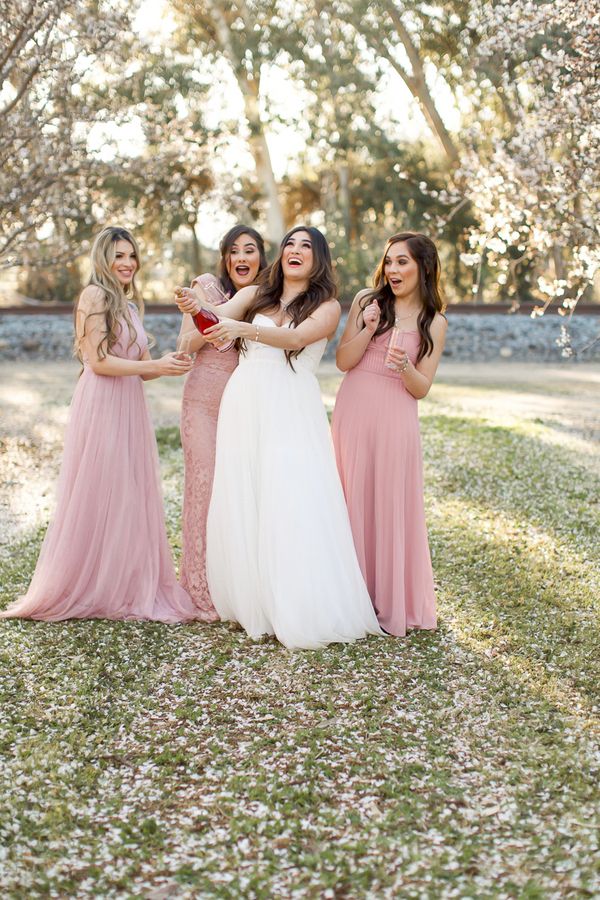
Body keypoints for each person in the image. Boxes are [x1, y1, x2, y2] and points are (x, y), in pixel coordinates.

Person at [175, 225, 382, 650]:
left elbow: (297, 338)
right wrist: (196, 306)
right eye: (290, 242)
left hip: (291, 406)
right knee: (248, 495)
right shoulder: (256, 295)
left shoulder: (325, 306)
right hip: (245, 400)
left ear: (318, 258)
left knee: (290, 496)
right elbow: (217, 319)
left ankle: (298, 601)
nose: (295, 250)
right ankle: (255, 600)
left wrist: (246, 332)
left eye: (306, 245)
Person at [1, 226, 198, 623]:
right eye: (119, 256)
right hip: (103, 400)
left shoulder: (128, 305)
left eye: (131, 256)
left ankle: (121, 581)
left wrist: (175, 360)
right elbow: (99, 361)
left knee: (128, 490)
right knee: (102, 487)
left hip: (130, 404)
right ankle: (89, 583)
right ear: (103, 259)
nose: (127, 264)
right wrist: (151, 364)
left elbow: (143, 370)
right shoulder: (94, 296)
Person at [331, 232, 447, 636]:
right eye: (390, 261)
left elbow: (422, 388)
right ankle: (348, 595)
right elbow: (342, 361)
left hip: (397, 415)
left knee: (389, 501)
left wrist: (405, 368)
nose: (393, 270)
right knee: (350, 496)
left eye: (403, 262)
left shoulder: (435, 322)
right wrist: (368, 330)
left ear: (424, 267)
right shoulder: (368, 300)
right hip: (355, 408)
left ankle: (387, 600)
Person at [176, 226, 267, 621]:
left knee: (236, 494)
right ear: (226, 258)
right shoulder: (207, 286)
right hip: (202, 404)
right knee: (204, 487)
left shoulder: (264, 298)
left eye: (250, 250)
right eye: (235, 251)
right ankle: (198, 588)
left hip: (243, 407)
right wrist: (204, 319)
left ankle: (232, 582)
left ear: (262, 258)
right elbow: (186, 345)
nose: (242, 257)